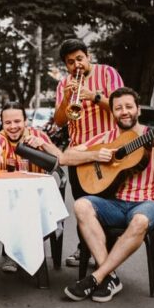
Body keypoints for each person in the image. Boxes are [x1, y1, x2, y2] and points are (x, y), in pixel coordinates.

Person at [61, 87, 154, 302]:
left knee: (140, 220)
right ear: (113, 112)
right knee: (81, 206)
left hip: (147, 203)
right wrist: (95, 154)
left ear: (138, 110)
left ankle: (98, 276)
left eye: (128, 107)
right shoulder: (107, 137)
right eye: (118, 108)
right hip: (114, 204)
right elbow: (65, 157)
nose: (124, 112)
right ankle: (111, 277)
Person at [53, 38, 125, 267]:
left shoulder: (108, 74)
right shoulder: (64, 83)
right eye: (70, 62)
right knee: (82, 204)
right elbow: (59, 120)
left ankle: (103, 253)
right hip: (79, 154)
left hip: (108, 152)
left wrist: (92, 95)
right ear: (66, 65)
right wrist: (66, 98)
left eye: (80, 59)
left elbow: (122, 109)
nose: (76, 65)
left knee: (104, 204)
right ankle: (85, 249)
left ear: (88, 56)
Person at [0, 102, 68, 272]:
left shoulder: (38, 135)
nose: (13, 127)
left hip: (39, 200)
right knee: (12, 207)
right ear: (2, 124)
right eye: (8, 123)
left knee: (29, 209)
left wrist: (43, 145)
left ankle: (18, 252)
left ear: (25, 121)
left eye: (17, 121)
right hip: (9, 200)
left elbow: (61, 158)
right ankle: (15, 253)